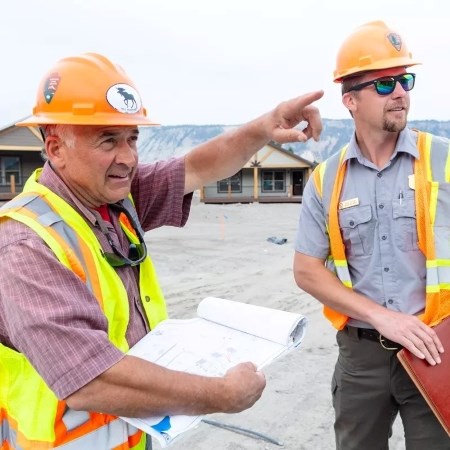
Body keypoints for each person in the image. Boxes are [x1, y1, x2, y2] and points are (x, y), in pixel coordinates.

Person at [0, 52, 322, 449]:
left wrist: (264, 127)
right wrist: (221, 393)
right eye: (108, 140)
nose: (129, 158)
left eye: (133, 138)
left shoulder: (110, 198)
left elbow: (197, 168)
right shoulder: (25, 245)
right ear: (56, 148)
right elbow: (90, 379)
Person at [294, 20, 450, 450]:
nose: (400, 92)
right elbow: (307, 270)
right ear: (350, 100)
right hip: (362, 357)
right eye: (384, 84)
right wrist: (381, 316)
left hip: (435, 346)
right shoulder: (326, 180)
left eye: (405, 79)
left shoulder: (444, 159)